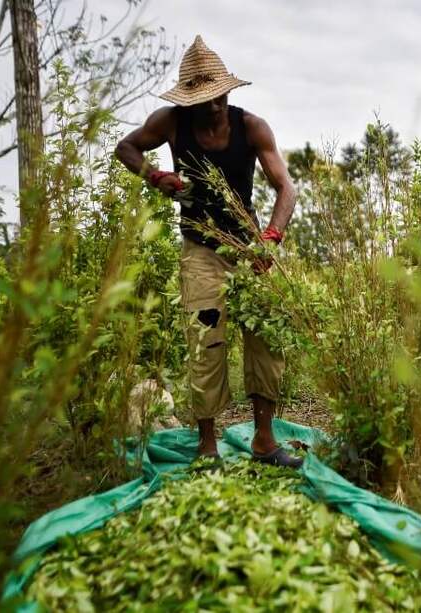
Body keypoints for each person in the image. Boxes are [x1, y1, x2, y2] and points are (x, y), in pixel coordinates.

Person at [115, 35, 302, 468]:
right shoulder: (170, 122)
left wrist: (270, 239)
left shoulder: (252, 127)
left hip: (248, 247)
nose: (213, 107)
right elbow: (126, 147)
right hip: (200, 249)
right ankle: (207, 447)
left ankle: (264, 440)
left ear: (227, 92)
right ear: (187, 102)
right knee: (206, 341)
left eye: (218, 98)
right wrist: (155, 175)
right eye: (203, 101)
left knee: (266, 338)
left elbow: (286, 189)